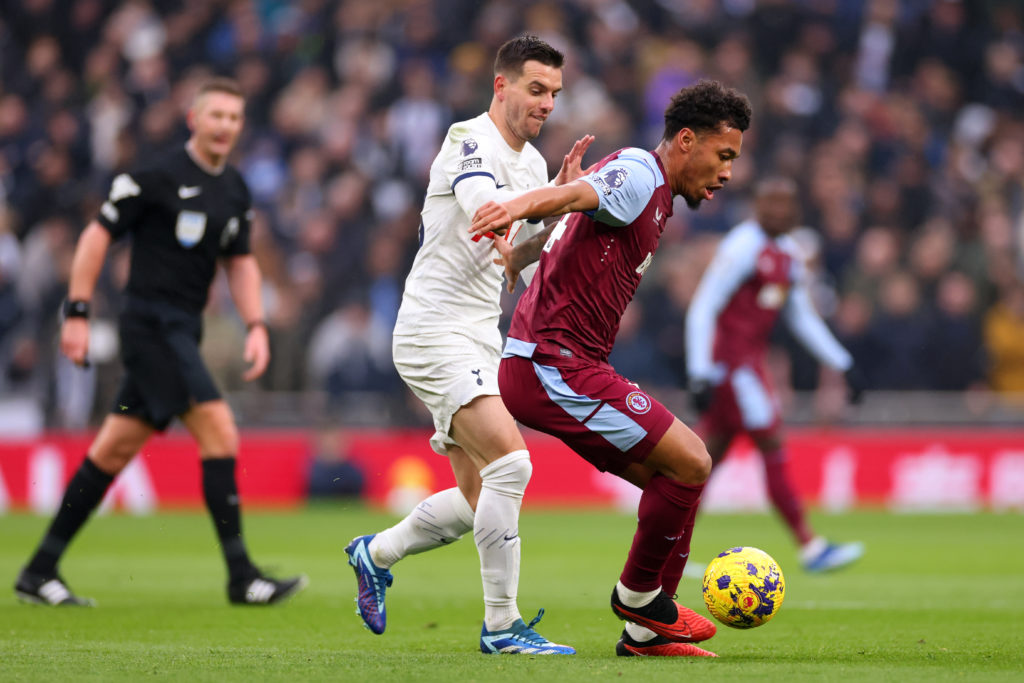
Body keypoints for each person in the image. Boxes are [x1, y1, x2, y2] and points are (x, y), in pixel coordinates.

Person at [469, 79, 750, 658]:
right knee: (694, 459)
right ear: (688, 140)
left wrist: (521, 249)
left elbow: (569, 225)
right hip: (553, 363)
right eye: (723, 156)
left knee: (673, 484)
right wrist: (516, 207)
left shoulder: (655, 192)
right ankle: (639, 597)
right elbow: (571, 201)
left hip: (562, 363)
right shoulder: (642, 173)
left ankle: (645, 636)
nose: (727, 173)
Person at [14, 78, 307, 607]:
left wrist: (256, 324)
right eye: (215, 115)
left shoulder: (234, 189)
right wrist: (76, 313)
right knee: (219, 428)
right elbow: (96, 236)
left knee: (113, 449)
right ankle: (242, 576)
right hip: (149, 328)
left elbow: (239, 262)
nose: (225, 126)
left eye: (234, 118)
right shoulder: (154, 176)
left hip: (182, 329)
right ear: (194, 119)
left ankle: (39, 569)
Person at [344, 35, 591, 654]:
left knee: (480, 497)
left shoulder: (534, 167)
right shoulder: (468, 140)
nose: (546, 105)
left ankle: (375, 554)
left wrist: (557, 220)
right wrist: (541, 210)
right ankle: (503, 627)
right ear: (501, 85)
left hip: (483, 335)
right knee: (514, 464)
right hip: (434, 330)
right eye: (536, 90)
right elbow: (486, 211)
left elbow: (526, 268)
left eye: (555, 95)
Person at [685, 177, 866, 572]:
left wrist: (841, 362)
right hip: (731, 367)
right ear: (758, 207)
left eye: (787, 204)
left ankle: (666, 552)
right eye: (772, 203)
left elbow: (801, 316)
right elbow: (704, 306)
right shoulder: (742, 247)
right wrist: (699, 371)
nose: (780, 211)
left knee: (700, 463)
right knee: (770, 441)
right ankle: (810, 545)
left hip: (747, 364)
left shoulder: (787, 253)